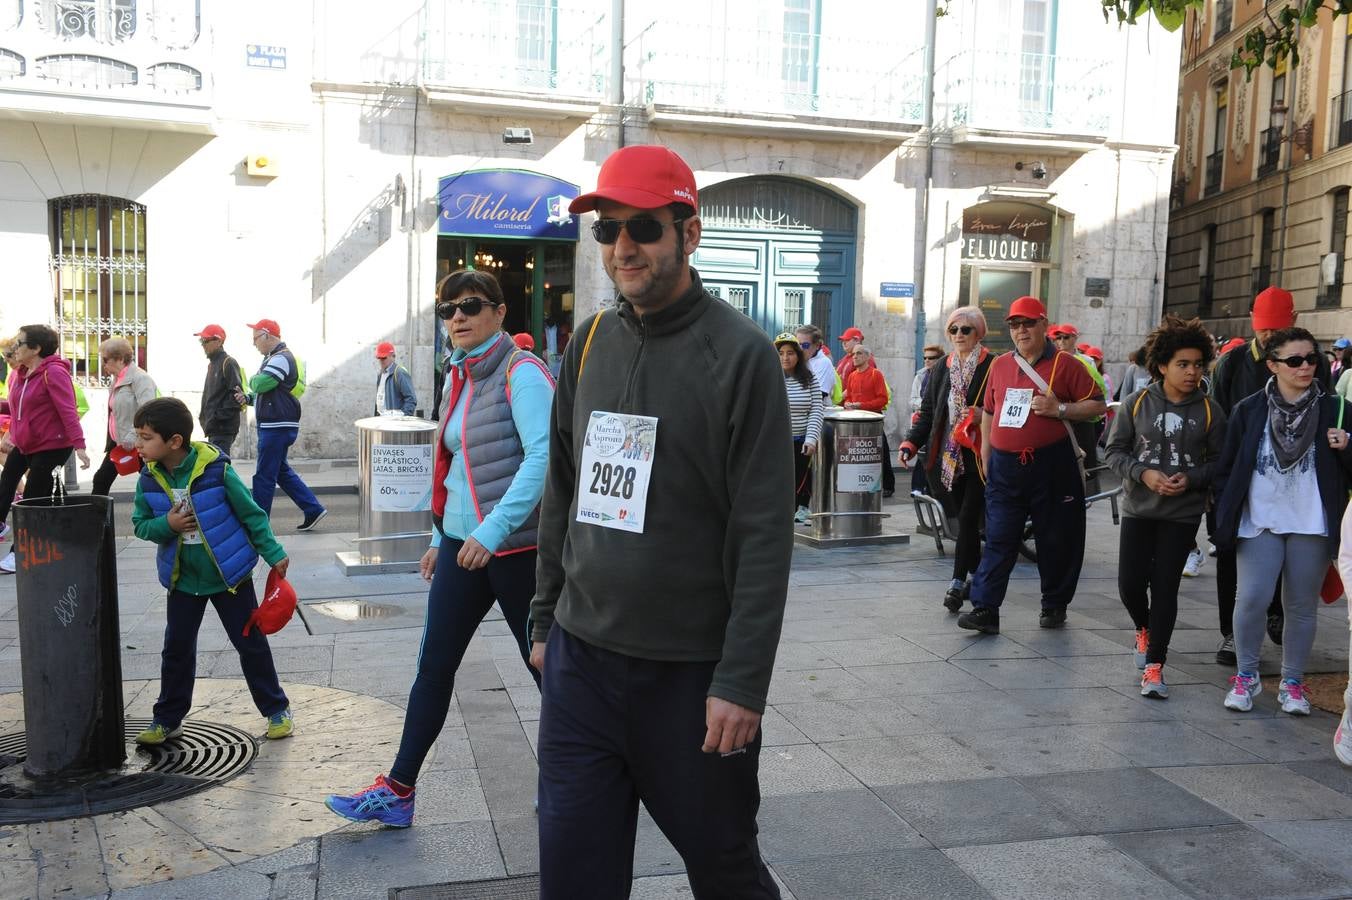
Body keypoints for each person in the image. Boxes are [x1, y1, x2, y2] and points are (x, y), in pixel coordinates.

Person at [529, 144, 792, 897]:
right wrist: (545, 623)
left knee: (726, 869)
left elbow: (764, 532)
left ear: (689, 233)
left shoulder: (741, 356)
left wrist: (741, 681)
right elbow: (564, 488)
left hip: (690, 680)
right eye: (606, 230)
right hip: (581, 668)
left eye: (643, 227)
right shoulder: (586, 343)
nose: (622, 248)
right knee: (574, 876)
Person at [326, 269, 553, 827]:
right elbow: (452, 466)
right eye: (447, 309)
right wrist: (439, 536)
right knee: (433, 667)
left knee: (549, 671)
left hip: (517, 550)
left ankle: (584, 776)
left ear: (501, 313)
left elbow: (544, 460)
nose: (457, 318)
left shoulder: (523, 375)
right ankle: (399, 790)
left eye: (471, 306)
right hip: (461, 547)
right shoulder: (458, 374)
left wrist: (490, 532)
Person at [129, 397, 295, 744]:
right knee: (176, 648)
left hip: (230, 577)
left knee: (250, 644)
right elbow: (141, 525)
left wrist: (273, 551)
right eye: (138, 436)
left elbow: (251, 514)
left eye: (146, 438)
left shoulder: (215, 470)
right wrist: (168, 524)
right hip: (183, 580)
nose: (138, 445)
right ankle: (168, 718)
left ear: (174, 441)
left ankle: (275, 709)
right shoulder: (147, 478)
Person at [1212, 327, 1352, 714]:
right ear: (1273, 365)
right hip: (1260, 517)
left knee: (1301, 605)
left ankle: (1292, 682)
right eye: (1294, 360)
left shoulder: (1336, 407)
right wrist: (1221, 516)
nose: (1305, 367)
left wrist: (1347, 445)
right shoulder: (1250, 409)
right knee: (1252, 598)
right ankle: (1246, 675)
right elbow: (1227, 468)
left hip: (1312, 519)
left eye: (1312, 359)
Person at [957, 297, 1106, 634]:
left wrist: (1062, 410)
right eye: (1014, 324)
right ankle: (985, 608)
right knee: (998, 537)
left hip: (1053, 465)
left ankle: (1054, 604)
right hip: (1006, 467)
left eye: (1027, 323)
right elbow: (990, 412)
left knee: (1056, 538)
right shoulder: (1000, 365)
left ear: (1043, 324)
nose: (1020, 330)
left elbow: (1098, 406)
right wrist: (986, 453)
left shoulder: (1067, 364)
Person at [1105, 317, 1225, 700]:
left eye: (1197, 365)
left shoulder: (1210, 410)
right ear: (1162, 366)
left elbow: (1222, 463)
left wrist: (1191, 479)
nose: (1192, 373)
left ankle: (1155, 665)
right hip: (1140, 508)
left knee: (1166, 587)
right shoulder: (1135, 403)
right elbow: (1114, 452)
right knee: (1129, 585)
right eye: (1183, 364)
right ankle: (1143, 628)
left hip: (1182, 513)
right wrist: (1144, 474)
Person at [1209, 287, 1328, 664]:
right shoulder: (1233, 362)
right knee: (1234, 562)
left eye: (1277, 330)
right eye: (1264, 333)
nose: (1301, 367)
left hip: (1298, 488)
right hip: (1248, 480)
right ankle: (1232, 634)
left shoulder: (1311, 358)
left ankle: (1276, 615)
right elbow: (1219, 420)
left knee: (1291, 564)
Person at [899, 306, 994, 612]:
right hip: (949, 455)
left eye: (965, 330)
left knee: (967, 518)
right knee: (961, 519)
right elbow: (929, 411)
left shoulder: (993, 365)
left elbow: (1002, 407)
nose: (959, 335)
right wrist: (911, 443)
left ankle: (956, 583)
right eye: (953, 330)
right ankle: (978, 577)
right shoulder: (942, 367)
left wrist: (982, 415)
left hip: (981, 453)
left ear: (978, 332)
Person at [0, 326, 92, 574]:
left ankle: (20, 554)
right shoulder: (20, 374)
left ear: (36, 348)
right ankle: (65, 537)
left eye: (19, 343)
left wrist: (80, 445)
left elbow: (67, 410)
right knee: (6, 485)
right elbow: (19, 409)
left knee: (32, 500)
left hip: (53, 446)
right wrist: (12, 433)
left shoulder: (54, 373)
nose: (13, 348)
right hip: (26, 443)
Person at [233, 319, 327, 531]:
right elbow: (265, 391)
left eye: (256, 338)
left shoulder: (281, 358)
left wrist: (254, 381)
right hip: (277, 424)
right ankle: (313, 509)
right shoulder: (274, 358)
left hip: (276, 426)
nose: (254, 343)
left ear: (268, 335)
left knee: (264, 475)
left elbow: (261, 383)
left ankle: (259, 524)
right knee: (281, 471)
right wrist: (249, 399)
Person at [90, 337, 157, 497]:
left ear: (120, 359)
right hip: (119, 443)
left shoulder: (140, 378)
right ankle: (98, 521)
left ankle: (162, 515)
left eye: (105, 360)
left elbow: (148, 410)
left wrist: (133, 435)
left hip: (138, 441)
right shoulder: (117, 380)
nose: (103, 364)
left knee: (153, 482)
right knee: (101, 480)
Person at [775, 332, 823, 525]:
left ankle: (797, 513)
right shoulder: (770, 378)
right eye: (781, 353)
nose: (785, 357)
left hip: (801, 441)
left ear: (798, 355)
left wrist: (811, 438)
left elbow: (816, 409)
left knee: (799, 482)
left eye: (790, 353)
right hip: (776, 443)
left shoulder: (810, 379)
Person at [843, 345, 895, 496]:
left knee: (881, 451)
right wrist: (848, 403)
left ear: (867, 356)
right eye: (853, 354)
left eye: (858, 353)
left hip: (873, 420)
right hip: (857, 419)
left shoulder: (875, 374)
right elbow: (850, 396)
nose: (854, 356)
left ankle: (888, 485)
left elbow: (883, 399)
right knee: (860, 452)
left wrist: (861, 405)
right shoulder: (852, 376)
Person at [195, 324, 244, 454]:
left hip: (223, 428)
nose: (203, 345)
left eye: (206, 341)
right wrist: (205, 418)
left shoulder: (228, 362)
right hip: (214, 427)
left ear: (219, 341)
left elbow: (236, 397)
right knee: (217, 466)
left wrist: (216, 418)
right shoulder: (212, 364)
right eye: (201, 341)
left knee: (219, 467)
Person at [796, 324, 840, 403]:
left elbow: (819, 395)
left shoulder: (823, 363)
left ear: (817, 346)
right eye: (797, 344)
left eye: (805, 345)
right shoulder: (799, 361)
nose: (800, 349)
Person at [373, 341, 417, 417]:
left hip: (395, 425)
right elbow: (379, 399)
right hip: (382, 421)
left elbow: (411, 400)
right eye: (379, 358)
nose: (381, 361)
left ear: (392, 356)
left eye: (383, 358)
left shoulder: (400, 373)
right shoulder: (380, 374)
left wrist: (401, 419)